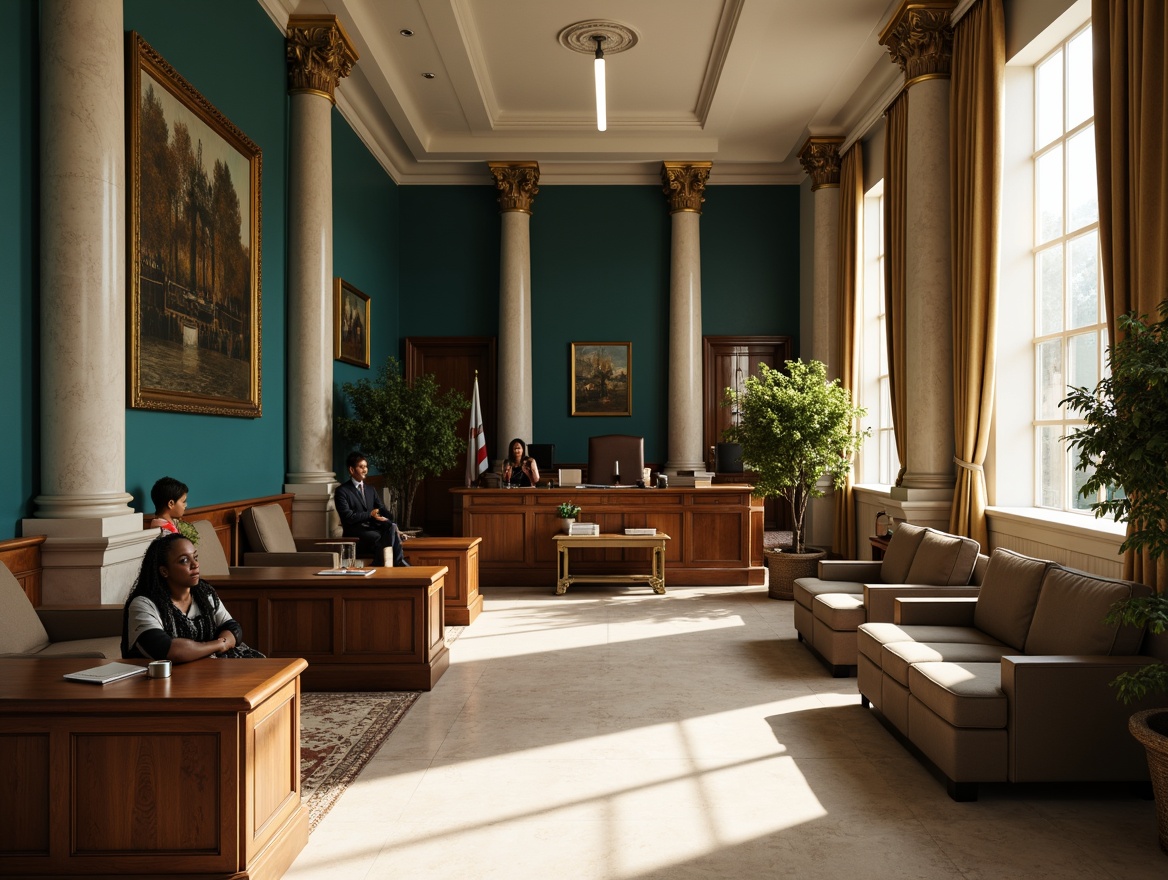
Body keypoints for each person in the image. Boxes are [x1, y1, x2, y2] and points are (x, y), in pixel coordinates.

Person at [121, 532, 263, 662]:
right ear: (164, 571)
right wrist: (219, 644)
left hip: (205, 674)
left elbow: (233, 628)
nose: (195, 565)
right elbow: (171, 650)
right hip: (158, 682)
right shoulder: (144, 604)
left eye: (195, 557)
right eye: (184, 561)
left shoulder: (203, 593)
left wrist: (216, 644)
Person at [334, 451, 408, 566]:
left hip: (372, 529)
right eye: (361, 467)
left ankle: (390, 563)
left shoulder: (370, 489)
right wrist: (370, 514)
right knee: (382, 537)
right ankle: (397, 563)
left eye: (366, 467)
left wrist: (388, 517)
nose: (365, 470)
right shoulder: (342, 491)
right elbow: (348, 517)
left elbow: (381, 508)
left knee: (391, 527)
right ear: (351, 470)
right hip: (356, 532)